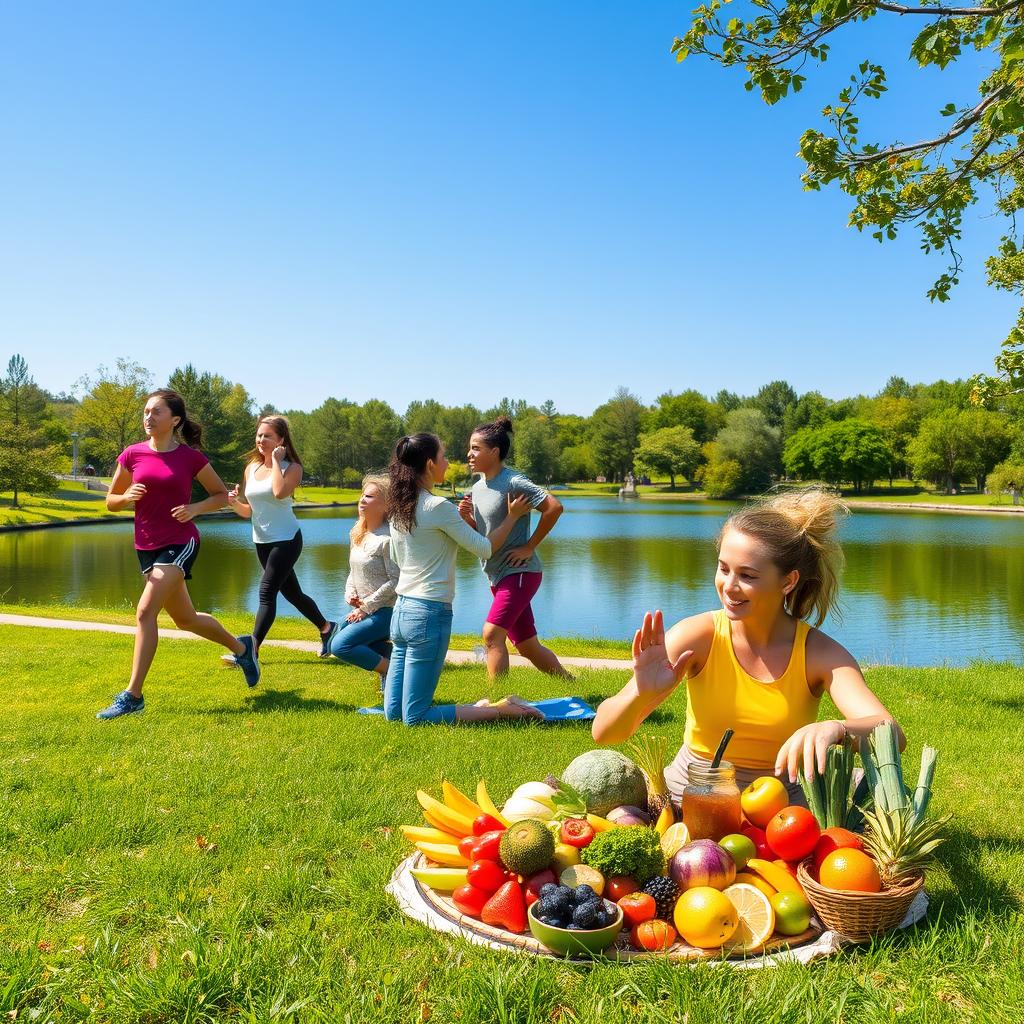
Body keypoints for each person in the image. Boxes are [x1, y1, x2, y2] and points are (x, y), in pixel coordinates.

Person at [592, 488, 904, 801]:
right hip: (692, 794)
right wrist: (639, 693)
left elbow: (891, 732)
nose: (728, 586)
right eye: (723, 568)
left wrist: (836, 728)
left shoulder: (818, 654)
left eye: (747, 575)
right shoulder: (699, 636)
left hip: (784, 803)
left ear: (788, 581)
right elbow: (604, 733)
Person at [97, 389, 260, 720]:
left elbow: (219, 495)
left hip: (181, 541)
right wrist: (126, 496)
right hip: (145, 545)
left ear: (174, 420)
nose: (148, 417)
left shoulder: (190, 458)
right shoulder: (132, 455)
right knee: (185, 619)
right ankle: (243, 649)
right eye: (146, 411)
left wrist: (194, 508)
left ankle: (133, 696)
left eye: (156, 412)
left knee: (145, 612)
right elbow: (110, 501)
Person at [384, 432, 545, 725]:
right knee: (415, 718)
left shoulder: (398, 507)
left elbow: (397, 558)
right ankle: (502, 709)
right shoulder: (437, 506)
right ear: (431, 464)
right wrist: (511, 517)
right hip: (427, 613)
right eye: (443, 457)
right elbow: (484, 547)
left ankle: (484, 705)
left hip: (401, 612)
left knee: (394, 714)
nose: (448, 462)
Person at [458, 417, 569, 680]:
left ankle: (499, 702)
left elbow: (554, 507)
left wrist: (529, 547)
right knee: (527, 646)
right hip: (496, 574)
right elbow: (486, 538)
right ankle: (570, 682)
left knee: (492, 634)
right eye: (470, 448)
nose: (469, 454)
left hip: (520, 572)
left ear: (494, 452)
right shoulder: (477, 487)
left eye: (476, 448)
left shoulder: (514, 482)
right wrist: (469, 521)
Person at [225, 415, 334, 660]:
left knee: (266, 593)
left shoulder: (292, 468)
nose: (261, 440)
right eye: (259, 435)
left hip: (286, 539)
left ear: (281, 440)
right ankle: (327, 628)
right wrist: (233, 503)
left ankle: (250, 650)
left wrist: (276, 461)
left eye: (268, 436)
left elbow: (278, 492)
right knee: (292, 594)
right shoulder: (251, 468)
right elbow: (248, 511)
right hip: (261, 541)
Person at [328, 474, 399, 682]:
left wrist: (366, 607)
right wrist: (349, 592)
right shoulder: (357, 532)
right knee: (337, 632)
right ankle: (392, 660)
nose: (361, 500)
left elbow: (396, 581)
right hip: (364, 610)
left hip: (386, 612)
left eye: (369, 497)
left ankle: (393, 671)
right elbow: (353, 571)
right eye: (362, 495)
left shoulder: (387, 540)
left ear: (385, 505)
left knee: (340, 646)